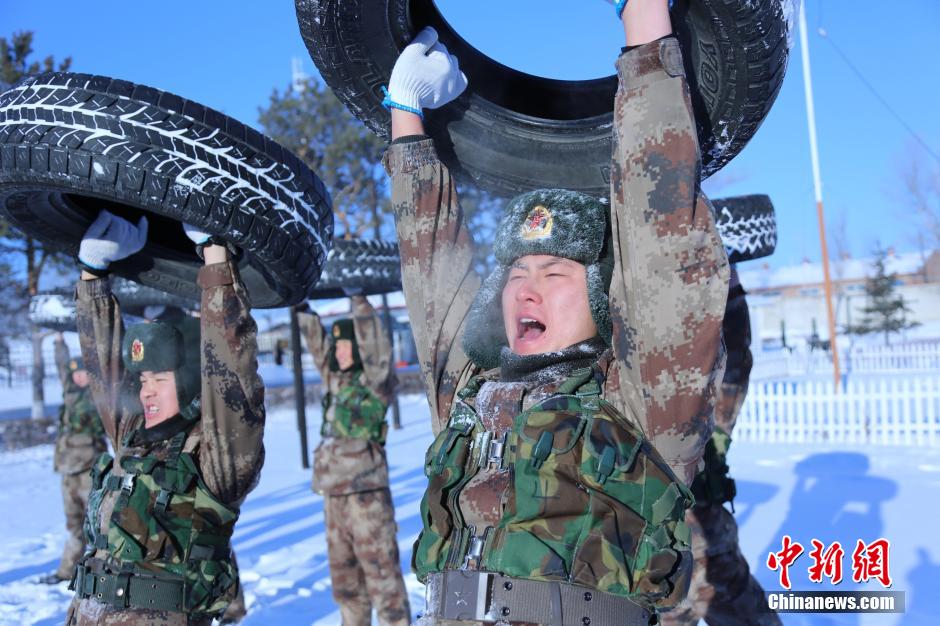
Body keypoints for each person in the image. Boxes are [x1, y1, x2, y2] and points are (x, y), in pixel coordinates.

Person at [380, 0, 729, 622]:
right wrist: (407, 116)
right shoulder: (468, 391)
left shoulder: (641, 401)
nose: (526, 289)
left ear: (600, 296)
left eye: (556, 272)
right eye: (516, 273)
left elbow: (661, 239)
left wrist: (644, 20)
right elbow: (430, 276)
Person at [65, 210, 266, 625]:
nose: (146, 390)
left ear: (191, 382)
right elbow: (105, 369)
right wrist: (92, 274)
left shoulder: (215, 461)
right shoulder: (133, 439)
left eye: (161, 378)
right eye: (143, 380)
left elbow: (230, 370)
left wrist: (214, 258)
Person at [662, 267, 781, 626]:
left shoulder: (709, 415)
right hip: (656, 567)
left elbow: (735, 362)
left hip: (713, 555)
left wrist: (726, 283)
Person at [298, 293, 410, 626]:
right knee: (346, 586)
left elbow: (376, 346)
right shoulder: (335, 380)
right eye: (339, 346)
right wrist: (301, 309)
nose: (340, 351)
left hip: (367, 499)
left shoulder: (374, 382)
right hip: (333, 497)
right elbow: (319, 347)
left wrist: (358, 300)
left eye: (347, 345)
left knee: (382, 582)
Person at [37, 334, 107, 585]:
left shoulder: (98, 397)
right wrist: (59, 343)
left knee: (98, 524)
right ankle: (67, 570)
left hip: (89, 469)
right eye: (75, 374)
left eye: (83, 374)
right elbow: (62, 366)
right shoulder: (69, 392)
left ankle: (101, 571)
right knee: (74, 525)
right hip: (67, 471)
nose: (79, 378)